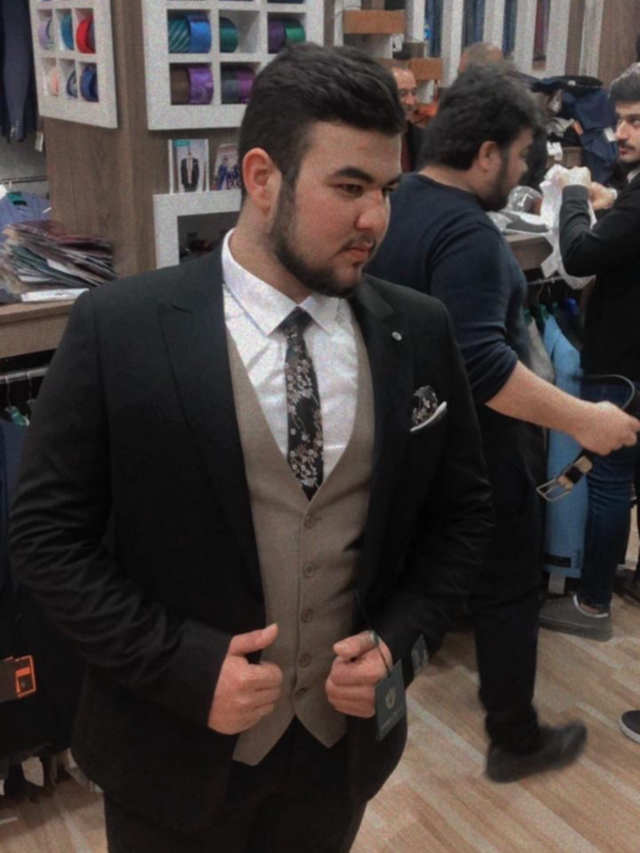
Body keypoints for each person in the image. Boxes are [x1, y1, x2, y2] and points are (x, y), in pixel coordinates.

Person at [9, 44, 494, 852]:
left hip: (338, 753)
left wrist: (399, 640)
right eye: (350, 187)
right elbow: (45, 539)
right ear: (262, 177)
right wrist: (179, 664)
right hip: (168, 751)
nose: (375, 220)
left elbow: (463, 515)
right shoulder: (120, 329)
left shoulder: (418, 329)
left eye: (387, 190)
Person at [367, 63, 640, 784]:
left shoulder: (394, 204)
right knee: (507, 588)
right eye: (520, 155)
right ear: (486, 153)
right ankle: (515, 739)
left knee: (422, 580)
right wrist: (586, 420)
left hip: (410, 436)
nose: (523, 170)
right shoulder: (470, 238)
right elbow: (483, 365)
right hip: (478, 452)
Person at [539, 64, 640, 649]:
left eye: (635, 122)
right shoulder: (634, 194)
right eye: (619, 121)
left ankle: (592, 601)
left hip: (624, 362)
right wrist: (615, 199)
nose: (620, 133)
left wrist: (576, 193)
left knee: (608, 479)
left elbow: (578, 256)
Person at [390, 64, 425, 171]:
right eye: (402, 94)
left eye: (414, 93)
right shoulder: (369, 139)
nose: (411, 102)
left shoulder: (424, 139)